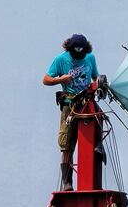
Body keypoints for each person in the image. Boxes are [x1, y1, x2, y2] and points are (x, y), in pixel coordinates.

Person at [42, 34, 99, 191]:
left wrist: (99, 82)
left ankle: (93, 175)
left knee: (97, 131)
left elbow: (95, 77)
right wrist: (61, 79)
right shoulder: (61, 60)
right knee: (67, 143)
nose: (78, 57)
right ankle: (67, 182)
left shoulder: (90, 58)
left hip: (87, 102)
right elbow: (46, 79)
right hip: (69, 104)